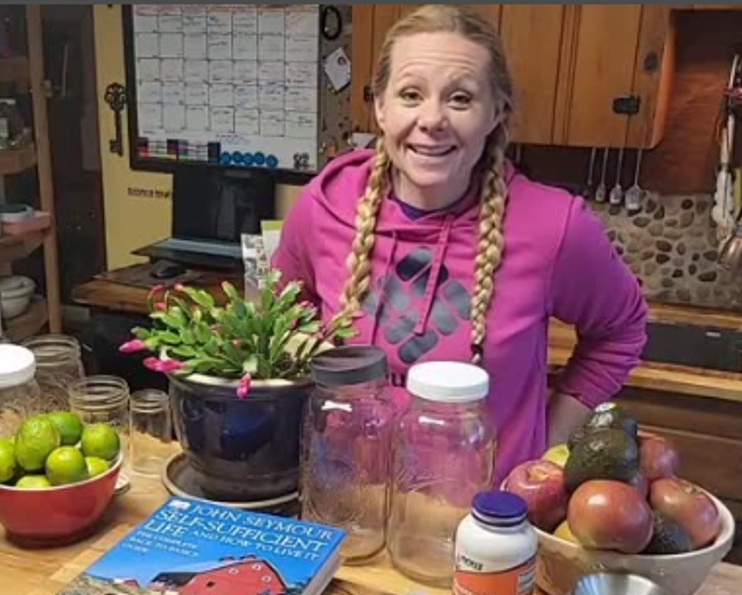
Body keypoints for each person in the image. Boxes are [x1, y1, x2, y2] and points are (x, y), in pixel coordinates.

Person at [274, 5, 648, 482]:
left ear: (496, 113)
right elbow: (280, 320)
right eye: (411, 94)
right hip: (345, 505)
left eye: (460, 98)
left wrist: (547, 440)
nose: (432, 119)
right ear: (381, 107)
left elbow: (621, 331)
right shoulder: (323, 205)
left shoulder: (555, 226)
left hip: (485, 515)